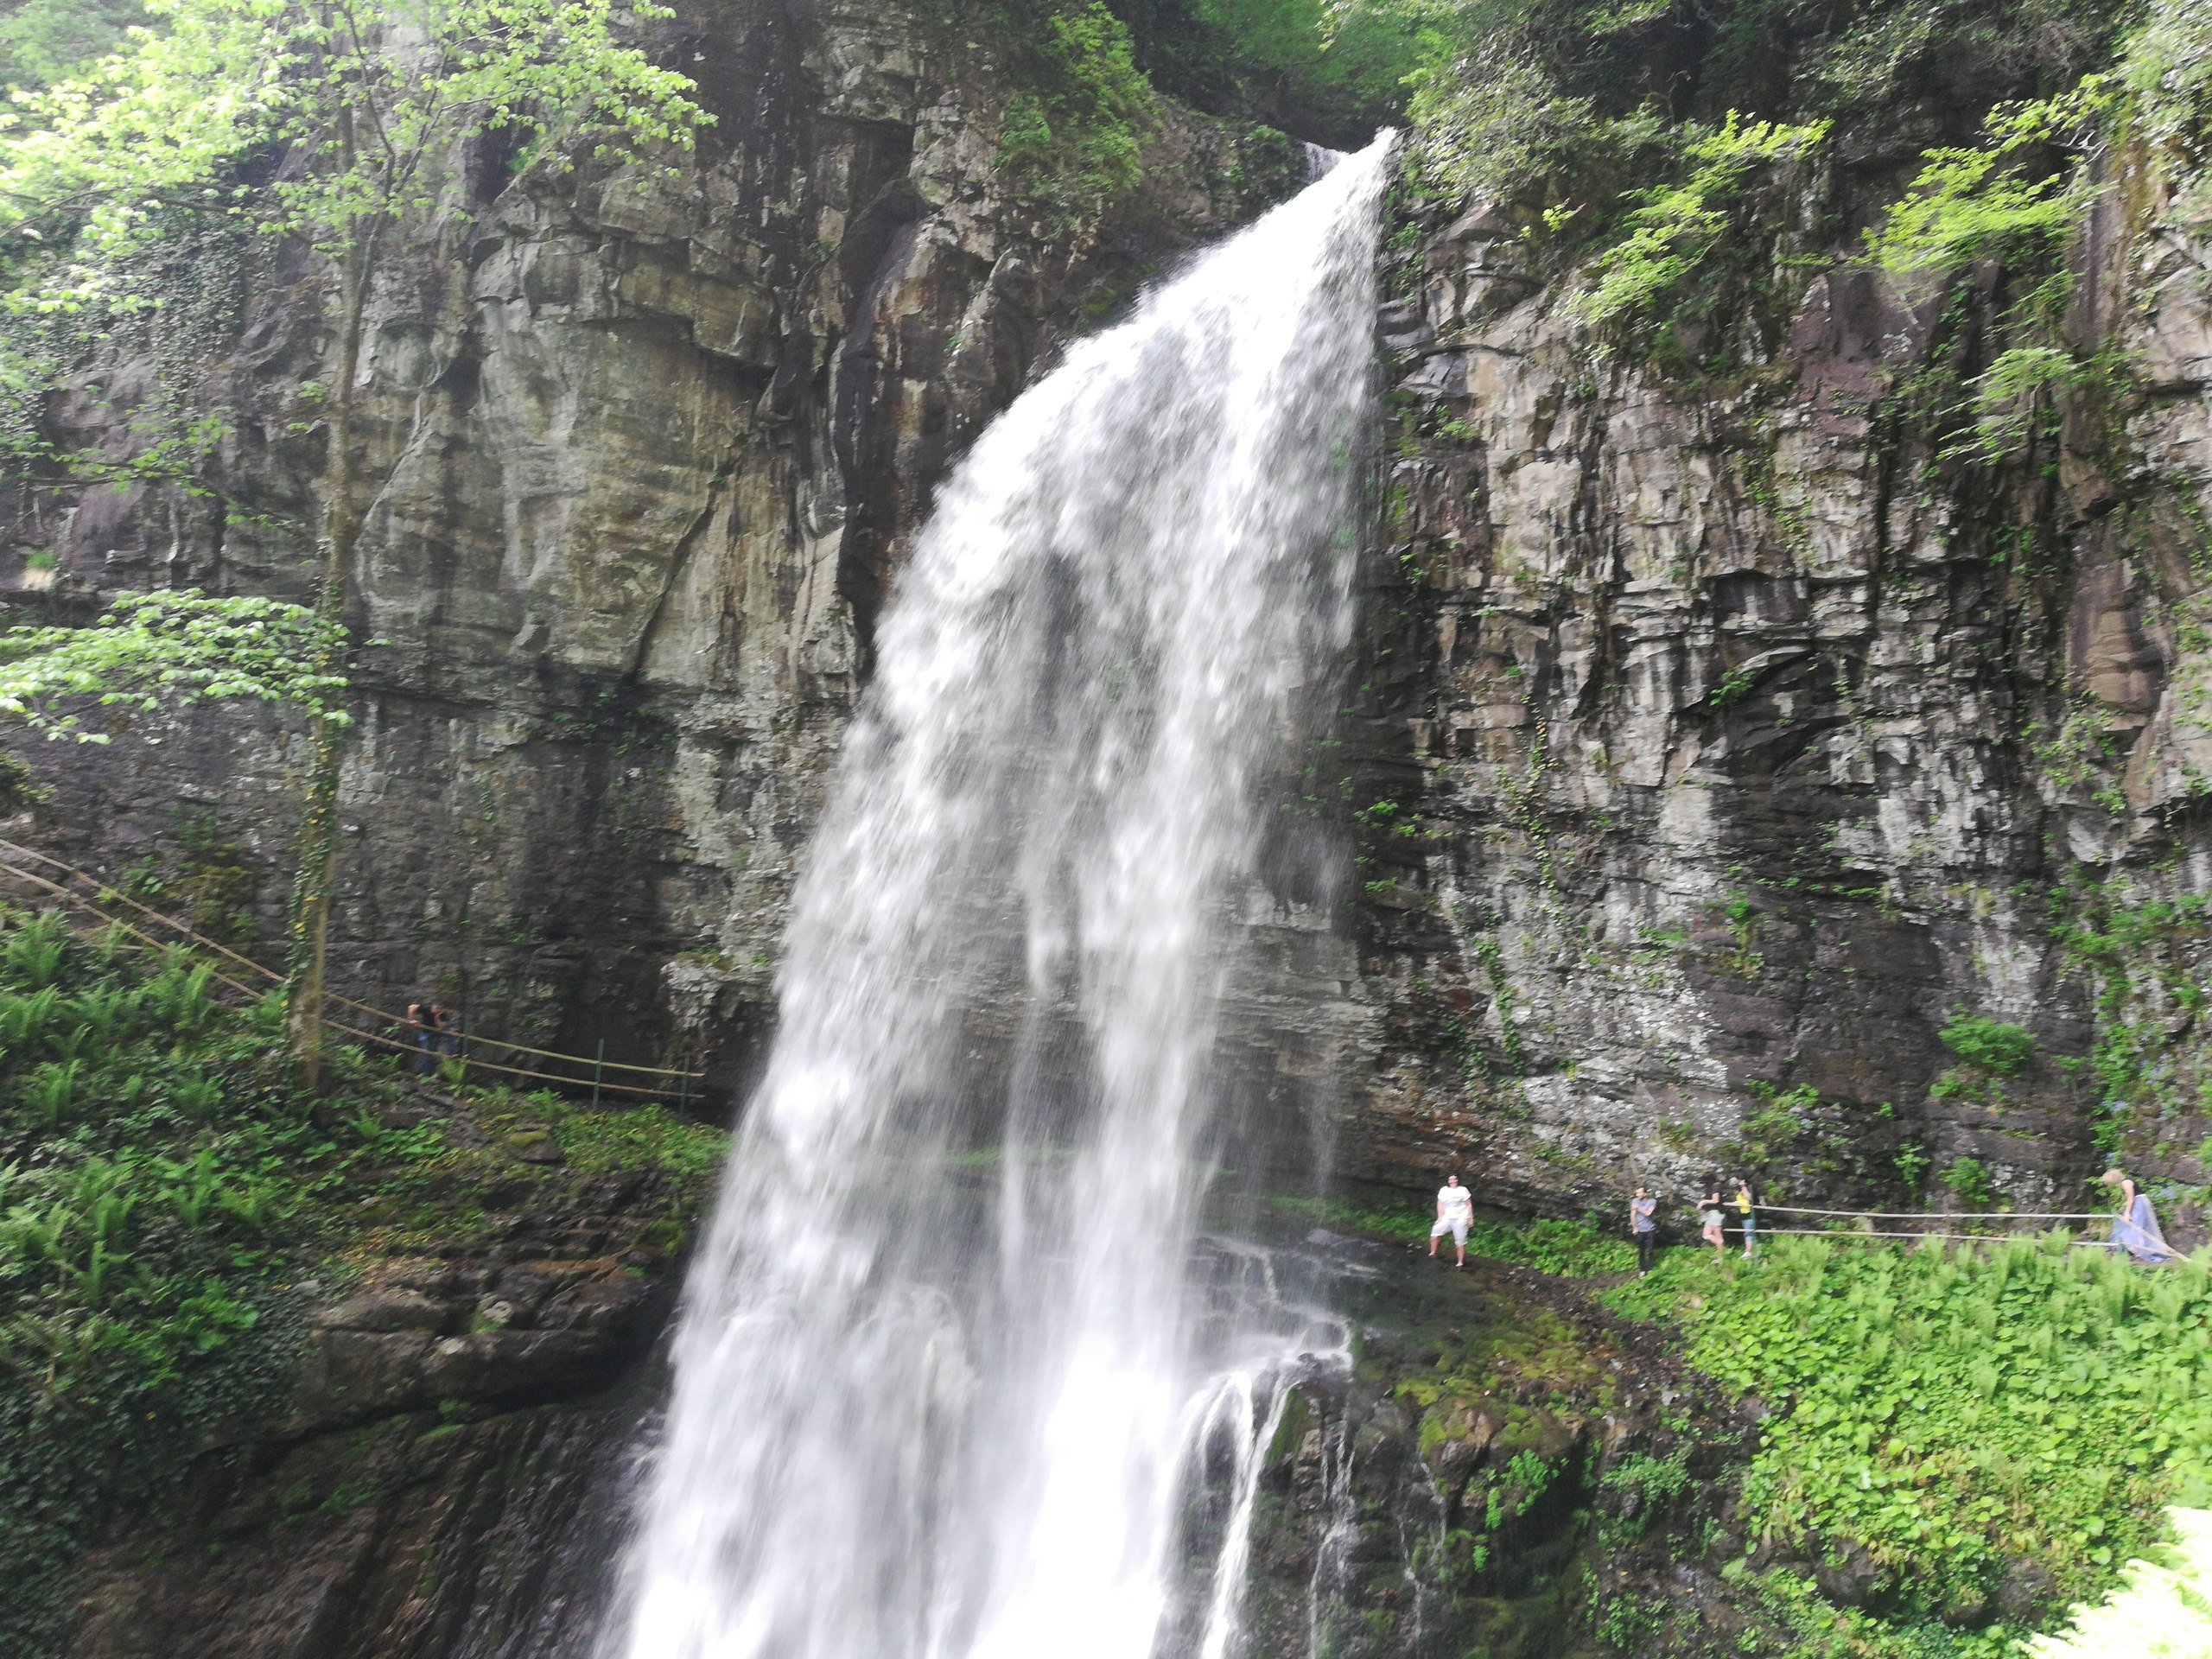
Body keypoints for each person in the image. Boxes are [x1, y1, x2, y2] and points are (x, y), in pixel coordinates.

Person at [2102, 1169, 2181, 1266]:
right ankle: (2142, 1250)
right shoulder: (2128, 1181)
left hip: (2139, 1205)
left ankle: (2145, 1251)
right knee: (2138, 1227)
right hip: (2140, 1202)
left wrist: (2127, 1213)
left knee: (2138, 1227)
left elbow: (2131, 1198)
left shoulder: (2126, 1182)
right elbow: (2132, 1198)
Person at [1431, 1173, 1474, 1269]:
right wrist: (1439, 1217)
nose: (1453, 1181)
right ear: (1448, 1181)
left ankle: (1460, 1262)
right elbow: (1440, 1203)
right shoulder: (1444, 1190)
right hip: (1447, 1217)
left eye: (1455, 1179)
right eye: (1451, 1179)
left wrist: (1470, 1219)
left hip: (1460, 1218)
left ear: (1458, 1180)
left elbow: (1469, 1205)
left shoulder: (1463, 1190)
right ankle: (1433, 1252)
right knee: (1435, 1232)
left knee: (1460, 1242)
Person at [407, 998, 454, 1075]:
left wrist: (437, 1017)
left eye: (438, 1009)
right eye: (435, 1008)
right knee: (426, 1052)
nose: (435, 1010)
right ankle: (427, 1074)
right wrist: (411, 1019)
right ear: (433, 1006)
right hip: (426, 1032)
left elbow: (441, 1026)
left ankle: (451, 1053)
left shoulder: (443, 1015)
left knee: (451, 1033)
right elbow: (411, 1007)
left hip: (437, 1031)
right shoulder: (426, 1008)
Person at [1629, 1186, 1657, 1274]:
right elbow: (1633, 1215)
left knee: (1650, 1250)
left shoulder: (1652, 1201)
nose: (1638, 1195)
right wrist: (1635, 1227)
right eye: (1637, 1193)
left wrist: (1638, 1209)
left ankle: (1650, 1269)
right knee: (1641, 1250)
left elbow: (1648, 1213)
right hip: (1640, 1230)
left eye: (1640, 1193)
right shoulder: (1635, 1201)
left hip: (1650, 1229)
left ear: (1645, 1194)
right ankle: (1642, 1269)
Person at [1733, 1177, 1758, 1259]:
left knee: (1748, 1233)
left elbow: (1748, 1198)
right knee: (1747, 1233)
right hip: (1743, 1214)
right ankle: (1750, 1250)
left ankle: (1749, 1252)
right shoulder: (1740, 1192)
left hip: (1749, 1213)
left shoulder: (1748, 1190)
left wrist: (1743, 1187)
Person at [1700, 1186, 1726, 1256]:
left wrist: (1703, 1201)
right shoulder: (1712, 1188)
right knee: (1718, 1235)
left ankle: (1719, 1243)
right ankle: (1720, 1258)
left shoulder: (1715, 1188)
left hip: (1715, 1214)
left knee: (1706, 1234)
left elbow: (1715, 1200)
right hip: (1715, 1214)